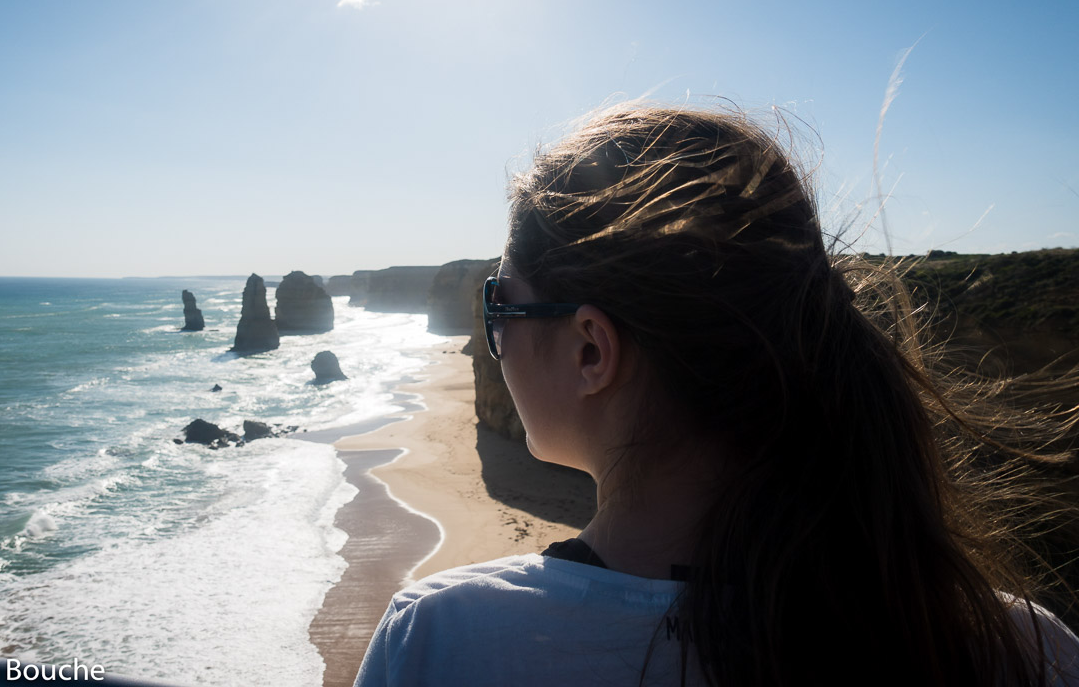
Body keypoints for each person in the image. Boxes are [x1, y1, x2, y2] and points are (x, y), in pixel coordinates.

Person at [354, 103, 1079, 686]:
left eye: (497, 305)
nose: (494, 339)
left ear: (589, 350)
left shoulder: (442, 642)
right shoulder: (1023, 648)